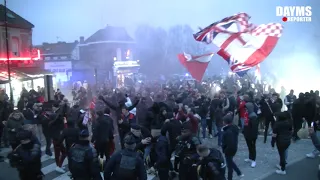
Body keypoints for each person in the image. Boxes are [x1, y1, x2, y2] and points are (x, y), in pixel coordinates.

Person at [221, 113, 244, 180]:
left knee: (229, 166)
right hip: (232, 149)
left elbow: (230, 143)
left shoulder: (228, 132)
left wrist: (225, 150)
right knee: (230, 161)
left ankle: (230, 178)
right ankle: (239, 172)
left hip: (229, 150)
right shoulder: (233, 128)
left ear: (225, 122)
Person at [242, 102, 259, 168]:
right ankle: (250, 158)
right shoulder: (247, 114)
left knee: (253, 147)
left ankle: (254, 160)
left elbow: (254, 128)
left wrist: (253, 136)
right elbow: (245, 125)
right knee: (249, 147)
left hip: (252, 135)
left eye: (246, 108)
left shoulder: (253, 116)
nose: (245, 110)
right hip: (247, 134)